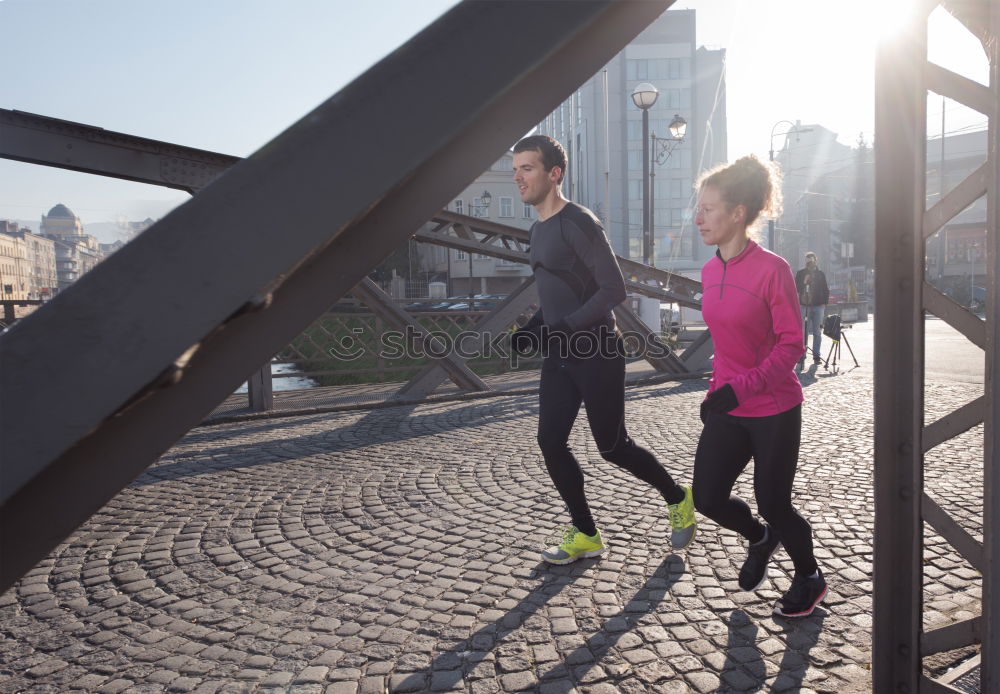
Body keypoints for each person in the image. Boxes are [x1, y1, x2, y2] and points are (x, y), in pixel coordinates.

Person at [508, 135, 696, 565]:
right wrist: (532, 328)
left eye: (527, 168)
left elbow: (613, 288)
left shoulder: (579, 222)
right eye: (515, 168)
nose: (518, 176)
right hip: (560, 356)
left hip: (596, 351)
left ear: (554, 174)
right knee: (550, 441)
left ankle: (678, 497)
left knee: (612, 446)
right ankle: (586, 533)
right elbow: (556, 293)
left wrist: (565, 327)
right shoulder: (536, 231)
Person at [692, 154, 827, 618]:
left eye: (709, 208)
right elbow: (726, 342)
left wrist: (740, 388)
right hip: (729, 404)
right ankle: (759, 539)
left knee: (774, 500)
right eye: (699, 207)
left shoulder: (773, 270)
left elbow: (791, 346)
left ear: (738, 213)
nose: (699, 218)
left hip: (773, 406)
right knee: (707, 497)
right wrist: (717, 391)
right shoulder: (709, 272)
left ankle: (809, 576)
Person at [795, 251, 829, 366]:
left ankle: (816, 355)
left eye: (811, 259)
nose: (809, 262)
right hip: (804, 306)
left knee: (817, 333)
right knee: (803, 332)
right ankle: (801, 355)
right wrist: (804, 282)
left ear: (815, 260)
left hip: (818, 306)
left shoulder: (820, 274)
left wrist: (825, 303)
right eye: (807, 260)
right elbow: (796, 288)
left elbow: (825, 289)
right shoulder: (800, 273)